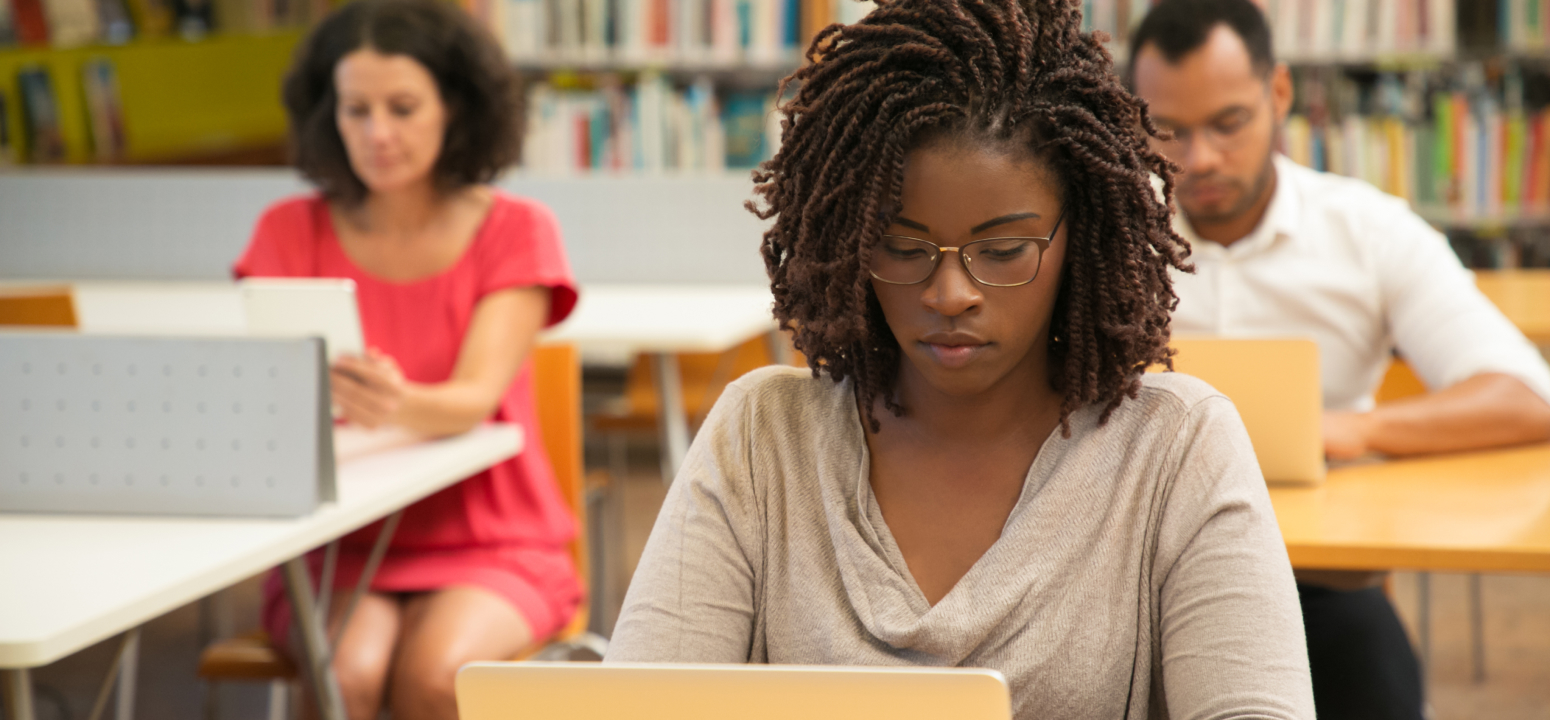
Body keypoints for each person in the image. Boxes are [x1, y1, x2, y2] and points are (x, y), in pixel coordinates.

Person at [606, 1, 1314, 718]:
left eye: (1003, 251)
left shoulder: (1176, 448)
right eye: (902, 248)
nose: (949, 294)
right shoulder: (761, 440)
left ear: (1081, 237)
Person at [1126, 1, 1550, 718]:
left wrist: (1349, 430)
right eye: (1170, 130)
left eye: (1228, 123)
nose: (1200, 159)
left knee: (1373, 678)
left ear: (1280, 93)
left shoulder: (1368, 232)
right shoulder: (1111, 234)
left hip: (1318, 583)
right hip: (1136, 580)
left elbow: (1526, 397)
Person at [232, 0, 582, 718]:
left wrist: (395, 402)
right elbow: (263, 405)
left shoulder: (516, 229)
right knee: (346, 676)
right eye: (355, 110)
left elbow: (475, 397)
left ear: (455, 106)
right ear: (327, 113)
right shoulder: (287, 231)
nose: (378, 134)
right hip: (333, 539)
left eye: (403, 107)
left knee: (439, 676)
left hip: (492, 536)